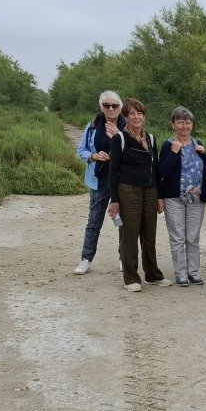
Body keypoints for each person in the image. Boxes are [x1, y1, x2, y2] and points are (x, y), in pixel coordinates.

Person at [105, 98, 170, 292]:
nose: (136, 117)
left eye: (139, 113)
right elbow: (112, 172)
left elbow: (155, 169)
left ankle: (153, 274)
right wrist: (115, 200)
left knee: (149, 234)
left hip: (150, 191)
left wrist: (159, 196)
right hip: (128, 190)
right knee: (130, 234)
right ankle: (131, 277)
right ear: (125, 117)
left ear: (144, 116)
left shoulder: (150, 139)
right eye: (132, 113)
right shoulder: (120, 139)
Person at [158, 106, 206, 287]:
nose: (184, 126)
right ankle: (180, 273)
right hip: (174, 198)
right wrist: (174, 152)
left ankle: (193, 272)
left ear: (192, 124)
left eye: (188, 122)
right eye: (180, 122)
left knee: (192, 237)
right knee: (178, 238)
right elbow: (162, 172)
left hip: (196, 199)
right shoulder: (168, 145)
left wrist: (204, 155)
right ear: (173, 124)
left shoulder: (198, 143)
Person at [74, 90, 125, 275]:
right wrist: (94, 156)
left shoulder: (127, 127)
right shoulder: (93, 126)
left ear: (120, 107)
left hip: (122, 181)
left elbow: (135, 152)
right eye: (107, 105)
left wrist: (118, 136)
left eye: (115, 105)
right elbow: (81, 150)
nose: (111, 109)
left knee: (124, 222)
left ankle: (124, 258)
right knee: (94, 221)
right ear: (101, 107)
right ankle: (86, 259)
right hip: (99, 180)